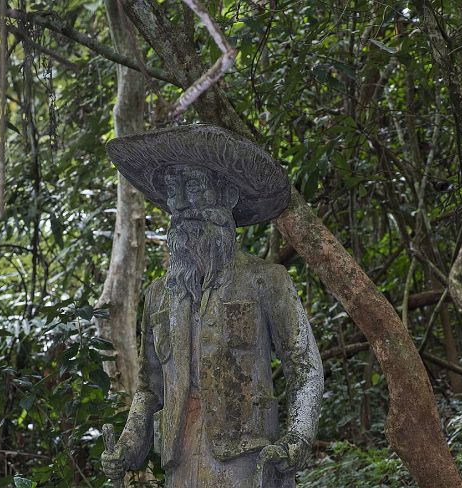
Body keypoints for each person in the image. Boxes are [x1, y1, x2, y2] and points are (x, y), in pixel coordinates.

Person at [101, 125, 323, 487]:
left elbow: (305, 366)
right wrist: (128, 446)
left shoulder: (266, 280)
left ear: (228, 194)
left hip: (246, 459)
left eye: (194, 186)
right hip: (179, 458)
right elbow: (149, 388)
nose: (183, 203)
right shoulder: (159, 295)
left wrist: (296, 438)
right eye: (173, 190)